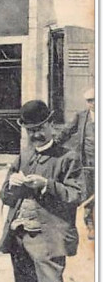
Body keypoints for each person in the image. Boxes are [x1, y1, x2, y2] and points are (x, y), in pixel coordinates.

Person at [0, 100, 83, 282]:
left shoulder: (67, 157)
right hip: (19, 234)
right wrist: (11, 186)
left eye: (39, 128)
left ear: (50, 124)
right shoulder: (23, 156)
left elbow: (76, 195)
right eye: (29, 130)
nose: (35, 135)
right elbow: (5, 196)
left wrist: (46, 185)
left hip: (49, 237)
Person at [56, 86, 95, 240]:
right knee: (88, 195)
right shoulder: (81, 116)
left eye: (96, 100)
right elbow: (66, 132)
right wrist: (53, 146)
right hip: (87, 163)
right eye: (90, 101)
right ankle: (91, 226)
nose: (93, 103)